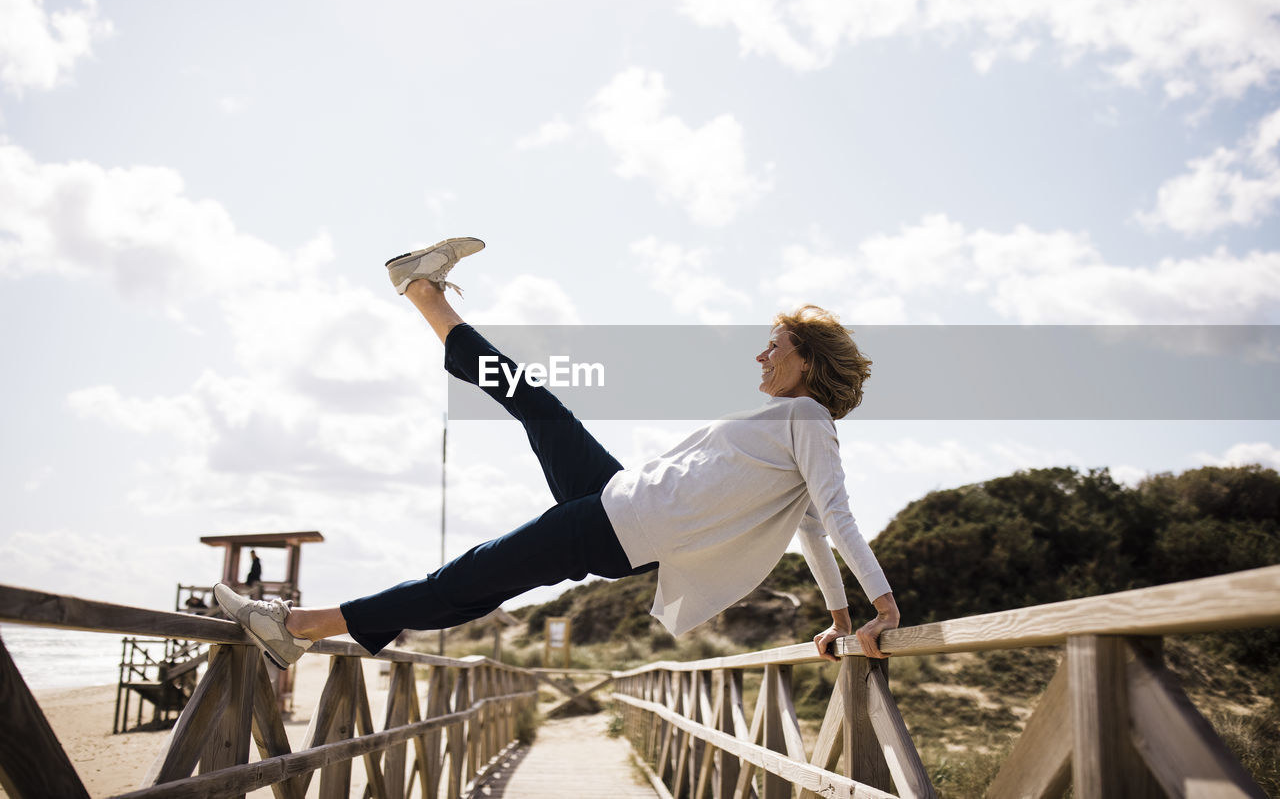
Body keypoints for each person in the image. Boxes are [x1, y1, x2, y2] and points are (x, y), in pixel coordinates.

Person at [215, 238, 899, 669]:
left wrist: (883, 608)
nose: (762, 352)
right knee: (535, 403)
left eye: (775, 345)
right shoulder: (792, 419)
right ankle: (422, 289)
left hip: (614, 526)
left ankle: (294, 626)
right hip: (616, 495)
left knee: (468, 577)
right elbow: (811, 531)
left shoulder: (807, 418)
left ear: (807, 361)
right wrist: (839, 618)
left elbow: (834, 518)